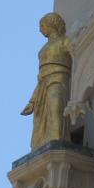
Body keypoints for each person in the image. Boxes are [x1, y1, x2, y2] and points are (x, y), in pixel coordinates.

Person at [21, 13, 72, 150]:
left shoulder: (65, 41)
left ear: (52, 24)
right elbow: (39, 78)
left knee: (55, 106)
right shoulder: (44, 48)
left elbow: (77, 56)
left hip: (58, 79)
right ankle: (42, 144)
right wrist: (32, 101)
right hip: (43, 82)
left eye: (42, 26)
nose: (40, 30)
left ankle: (56, 139)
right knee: (42, 117)